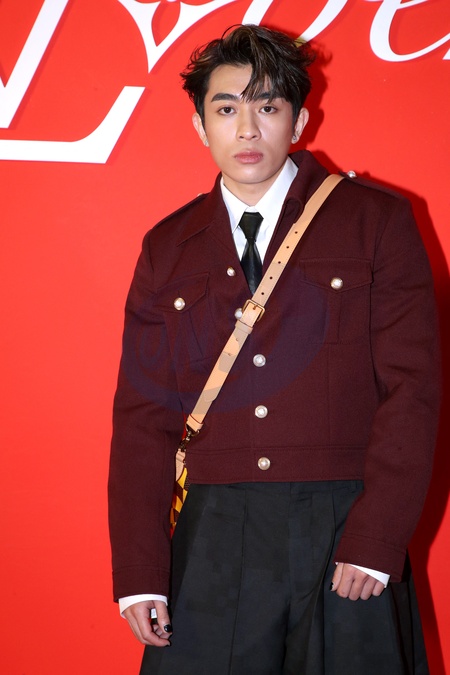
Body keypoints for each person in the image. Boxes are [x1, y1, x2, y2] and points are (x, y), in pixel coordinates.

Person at [108, 24, 440, 674]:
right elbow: (143, 417)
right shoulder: (167, 248)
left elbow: (413, 389)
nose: (247, 129)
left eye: (267, 106)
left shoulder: (375, 221)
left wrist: (378, 534)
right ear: (200, 126)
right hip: (213, 532)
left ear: (300, 119)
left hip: (344, 524)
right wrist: (140, 571)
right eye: (226, 109)